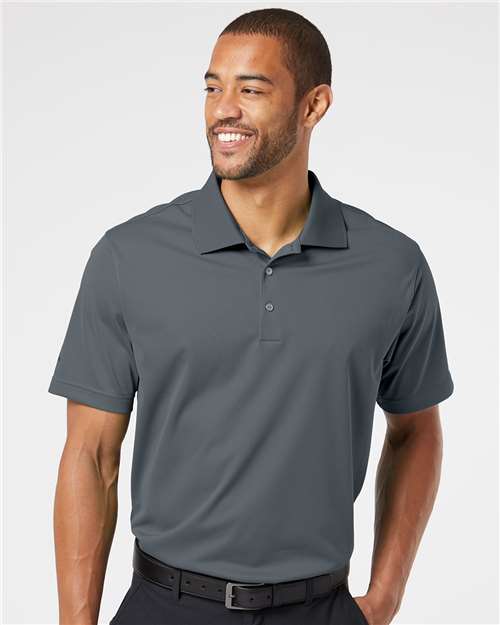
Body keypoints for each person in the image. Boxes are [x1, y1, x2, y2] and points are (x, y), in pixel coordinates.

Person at [49, 7, 454, 625]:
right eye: (213, 88)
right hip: (166, 607)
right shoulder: (129, 256)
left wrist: (386, 594)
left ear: (314, 106)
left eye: (251, 90)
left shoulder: (391, 264)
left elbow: (416, 431)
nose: (223, 110)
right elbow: (90, 455)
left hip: (321, 608)